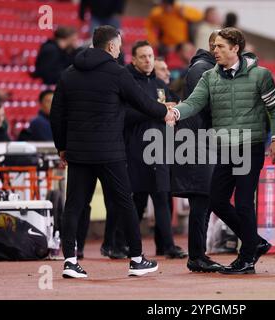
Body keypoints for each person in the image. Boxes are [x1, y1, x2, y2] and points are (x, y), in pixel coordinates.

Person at [50, 25, 176, 278]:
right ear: (110, 46)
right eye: (119, 45)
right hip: (110, 152)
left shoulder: (68, 73)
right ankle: (137, 259)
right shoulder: (118, 73)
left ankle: (70, 261)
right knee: (124, 203)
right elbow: (142, 101)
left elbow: (57, 115)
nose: (120, 50)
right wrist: (166, 112)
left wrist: (62, 146)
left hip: (78, 152)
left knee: (74, 205)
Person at [169, 28, 275, 274]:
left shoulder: (260, 75)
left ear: (235, 48)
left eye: (220, 46)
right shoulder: (209, 77)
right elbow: (194, 102)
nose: (215, 51)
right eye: (214, 47)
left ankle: (247, 259)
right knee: (218, 200)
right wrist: (176, 112)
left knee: (243, 202)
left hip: (249, 146)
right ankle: (254, 242)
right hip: (224, 147)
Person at [124, 40, 186, 259]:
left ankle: (167, 245)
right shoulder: (128, 82)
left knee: (162, 196)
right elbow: (125, 115)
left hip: (160, 147)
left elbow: (173, 106)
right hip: (137, 150)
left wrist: (172, 110)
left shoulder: (159, 84)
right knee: (137, 199)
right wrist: (159, 111)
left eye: (150, 56)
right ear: (133, 59)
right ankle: (124, 244)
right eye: (143, 56)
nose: (148, 60)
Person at [169, 30, 222, 272]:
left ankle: (199, 254)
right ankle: (197, 256)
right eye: (223, 45)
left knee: (205, 200)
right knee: (201, 200)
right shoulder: (203, 69)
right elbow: (212, 108)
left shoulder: (205, 68)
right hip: (197, 144)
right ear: (213, 46)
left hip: (200, 142)